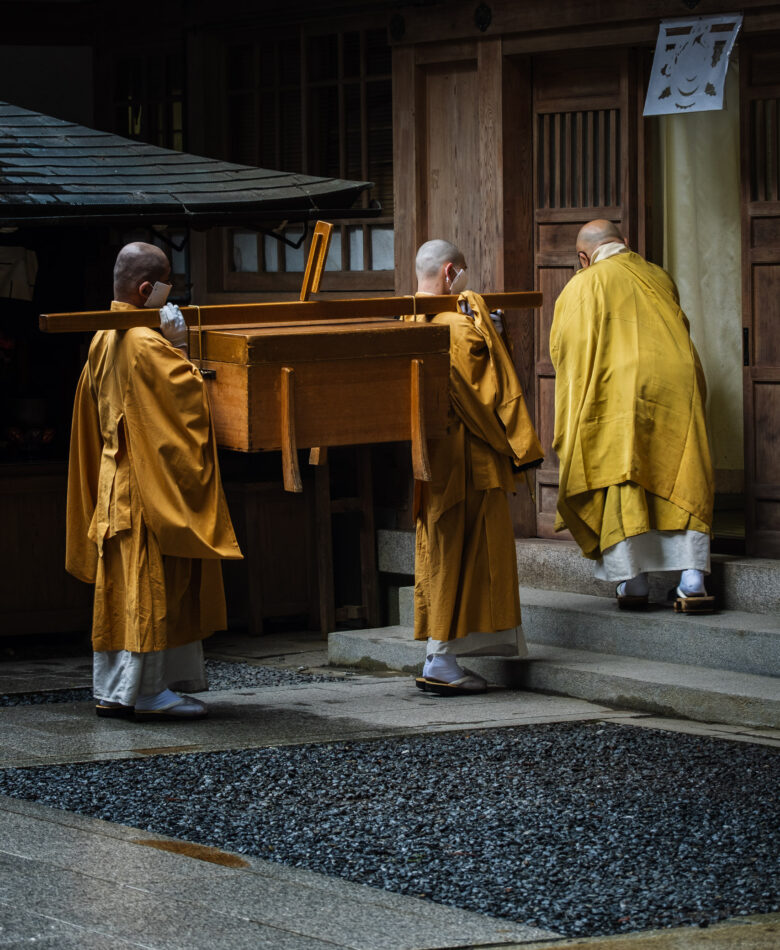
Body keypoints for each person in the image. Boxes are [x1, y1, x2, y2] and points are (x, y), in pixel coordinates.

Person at [66, 242, 243, 720]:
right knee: (149, 586)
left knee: (122, 590)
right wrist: (181, 348)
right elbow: (188, 406)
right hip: (146, 484)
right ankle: (146, 693)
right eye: (168, 285)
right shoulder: (146, 343)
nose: (172, 293)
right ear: (148, 289)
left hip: (115, 482)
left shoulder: (104, 334)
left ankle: (115, 689)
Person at [550, 219, 715, 611]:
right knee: (682, 469)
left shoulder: (584, 283)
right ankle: (692, 580)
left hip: (620, 385)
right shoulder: (658, 276)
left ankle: (635, 582)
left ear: (583, 257)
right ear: (624, 243)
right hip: (678, 381)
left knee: (623, 472)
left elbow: (567, 348)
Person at [410, 239, 544, 694]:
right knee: (464, 553)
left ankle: (440, 655)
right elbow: (486, 395)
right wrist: (491, 335)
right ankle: (441, 659)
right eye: (463, 272)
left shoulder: (408, 317)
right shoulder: (457, 326)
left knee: (443, 549)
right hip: (467, 459)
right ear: (451, 273)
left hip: (430, 459)